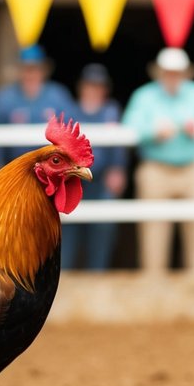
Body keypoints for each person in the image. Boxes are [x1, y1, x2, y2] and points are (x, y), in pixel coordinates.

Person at [121, 47, 194, 277]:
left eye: (177, 72)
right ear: (160, 73)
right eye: (168, 72)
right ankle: (154, 279)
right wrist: (152, 132)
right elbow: (129, 127)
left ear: (185, 73)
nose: (173, 76)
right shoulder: (144, 95)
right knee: (153, 228)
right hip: (155, 168)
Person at [61, 64, 127, 270]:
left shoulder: (111, 110)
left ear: (104, 90)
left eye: (98, 86)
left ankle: (98, 274)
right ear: (82, 88)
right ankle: (65, 275)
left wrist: (118, 168)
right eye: (90, 85)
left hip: (101, 180)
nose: (93, 90)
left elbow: (119, 143)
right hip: (74, 180)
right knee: (67, 231)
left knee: (103, 228)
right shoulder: (70, 111)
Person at [0, 45, 78, 174]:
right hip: (14, 170)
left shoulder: (58, 95)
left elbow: (71, 130)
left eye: (34, 68)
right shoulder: (4, 98)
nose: (30, 74)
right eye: (26, 69)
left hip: (51, 171)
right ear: (19, 70)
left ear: (43, 70)